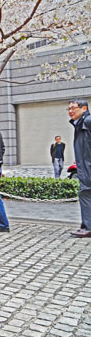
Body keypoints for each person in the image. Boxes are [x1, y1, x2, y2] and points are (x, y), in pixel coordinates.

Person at [68, 99, 91, 237]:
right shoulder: (80, 124)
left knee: (85, 193)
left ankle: (88, 227)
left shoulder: (87, 121)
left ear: (84, 108)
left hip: (87, 167)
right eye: (69, 109)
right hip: (84, 166)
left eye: (74, 108)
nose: (70, 111)